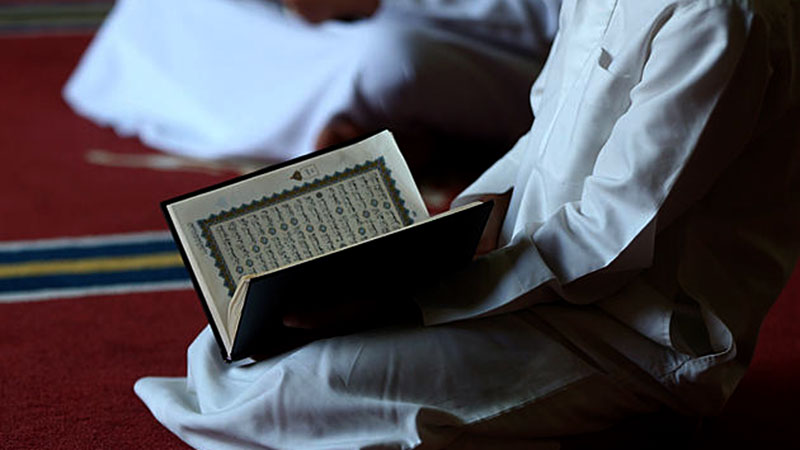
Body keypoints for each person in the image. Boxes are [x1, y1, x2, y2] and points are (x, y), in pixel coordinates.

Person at [134, 0, 800, 448]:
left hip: (633, 336)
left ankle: (637, 417)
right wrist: (436, 236)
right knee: (230, 349)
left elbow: (607, 241)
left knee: (296, 387)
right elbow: (538, 140)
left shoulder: (717, 15)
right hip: (522, 277)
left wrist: (413, 297)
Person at [63, 0, 562, 162]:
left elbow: (562, 17)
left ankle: (397, 138)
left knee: (387, 60)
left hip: (505, 49)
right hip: (337, 24)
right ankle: (372, 135)